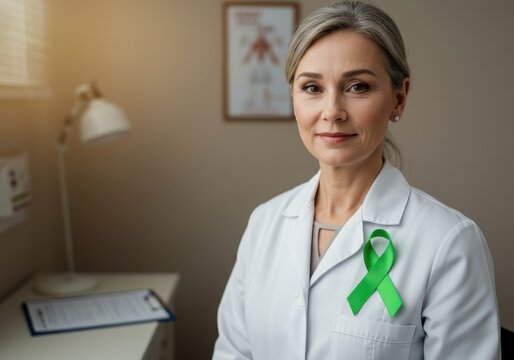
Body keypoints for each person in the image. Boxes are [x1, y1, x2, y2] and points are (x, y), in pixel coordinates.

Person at [213, 1, 501, 359]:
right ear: (293, 98)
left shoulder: (449, 243)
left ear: (399, 98)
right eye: (312, 88)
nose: (332, 111)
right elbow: (233, 353)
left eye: (358, 87)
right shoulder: (263, 223)